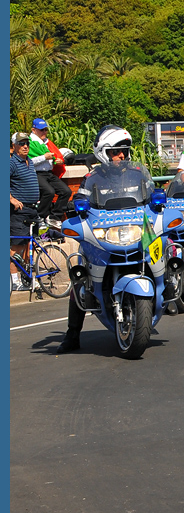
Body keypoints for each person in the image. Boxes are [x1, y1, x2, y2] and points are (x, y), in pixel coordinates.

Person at [57, 126, 156, 354]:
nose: (122, 155)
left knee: (163, 249)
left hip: (135, 230)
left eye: (125, 150)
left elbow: (152, 194)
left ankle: (167, 288)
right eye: (116, 151)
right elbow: (81, 196)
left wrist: (159, 202)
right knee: (80, 278)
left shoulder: (139, 172)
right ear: (104, 152)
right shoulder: (93, 178)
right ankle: (72, 335)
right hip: (104, 235)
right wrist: (73, 205)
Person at [10, 132, 40, 292]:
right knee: (17, 246)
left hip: (32, 209)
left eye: (27, 143)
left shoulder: (29, 162)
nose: (25, 146)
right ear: (14, 146)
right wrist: (12, 200)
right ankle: (14, 281)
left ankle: (26, 277)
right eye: (21, 143)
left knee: (31, 244)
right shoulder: (11, 163)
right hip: (19, 211)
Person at [28, 118, 71, 227]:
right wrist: (44, 157)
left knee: (66, 191)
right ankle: (40, 216)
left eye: (46, 130)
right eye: (42, 130)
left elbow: (51, 158)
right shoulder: (29, 143)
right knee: (49, 192)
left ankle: (54, 217)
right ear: (34, 130)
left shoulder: (46, 143)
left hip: (48, 173)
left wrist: (57, 161)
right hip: (36, 173)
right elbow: (28, 162)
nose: (45, 132)